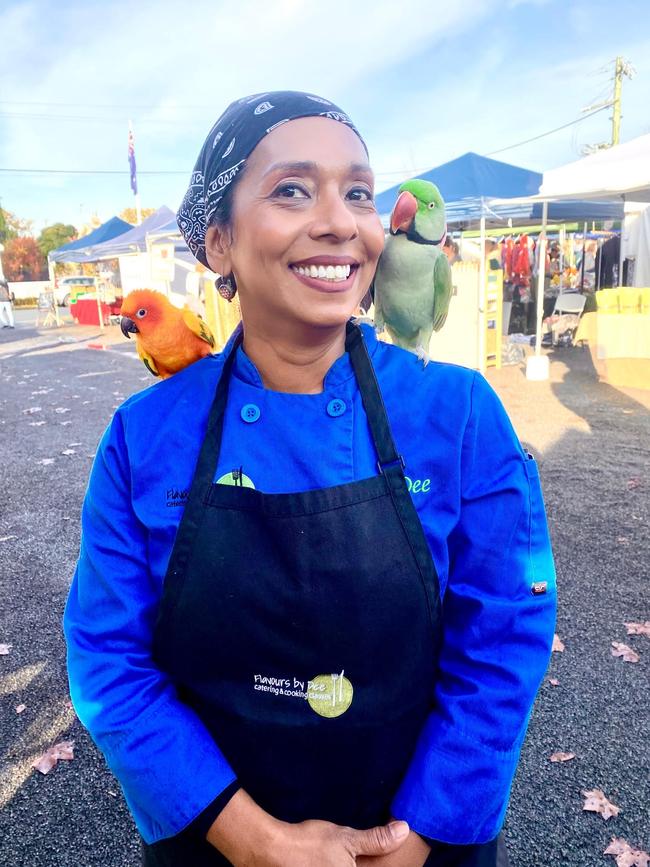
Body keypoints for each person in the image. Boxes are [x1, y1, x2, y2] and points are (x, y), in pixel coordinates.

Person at [64, 91, 556, 867]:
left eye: (357, 192)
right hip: (219, 842)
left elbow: (505, 632)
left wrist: (425, 828)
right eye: (292, 189)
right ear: (218, 243)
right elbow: (107, 658)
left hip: (419, 842)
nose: (340, 220)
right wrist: (251, 837)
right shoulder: (144, 436)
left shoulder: (458, 414)